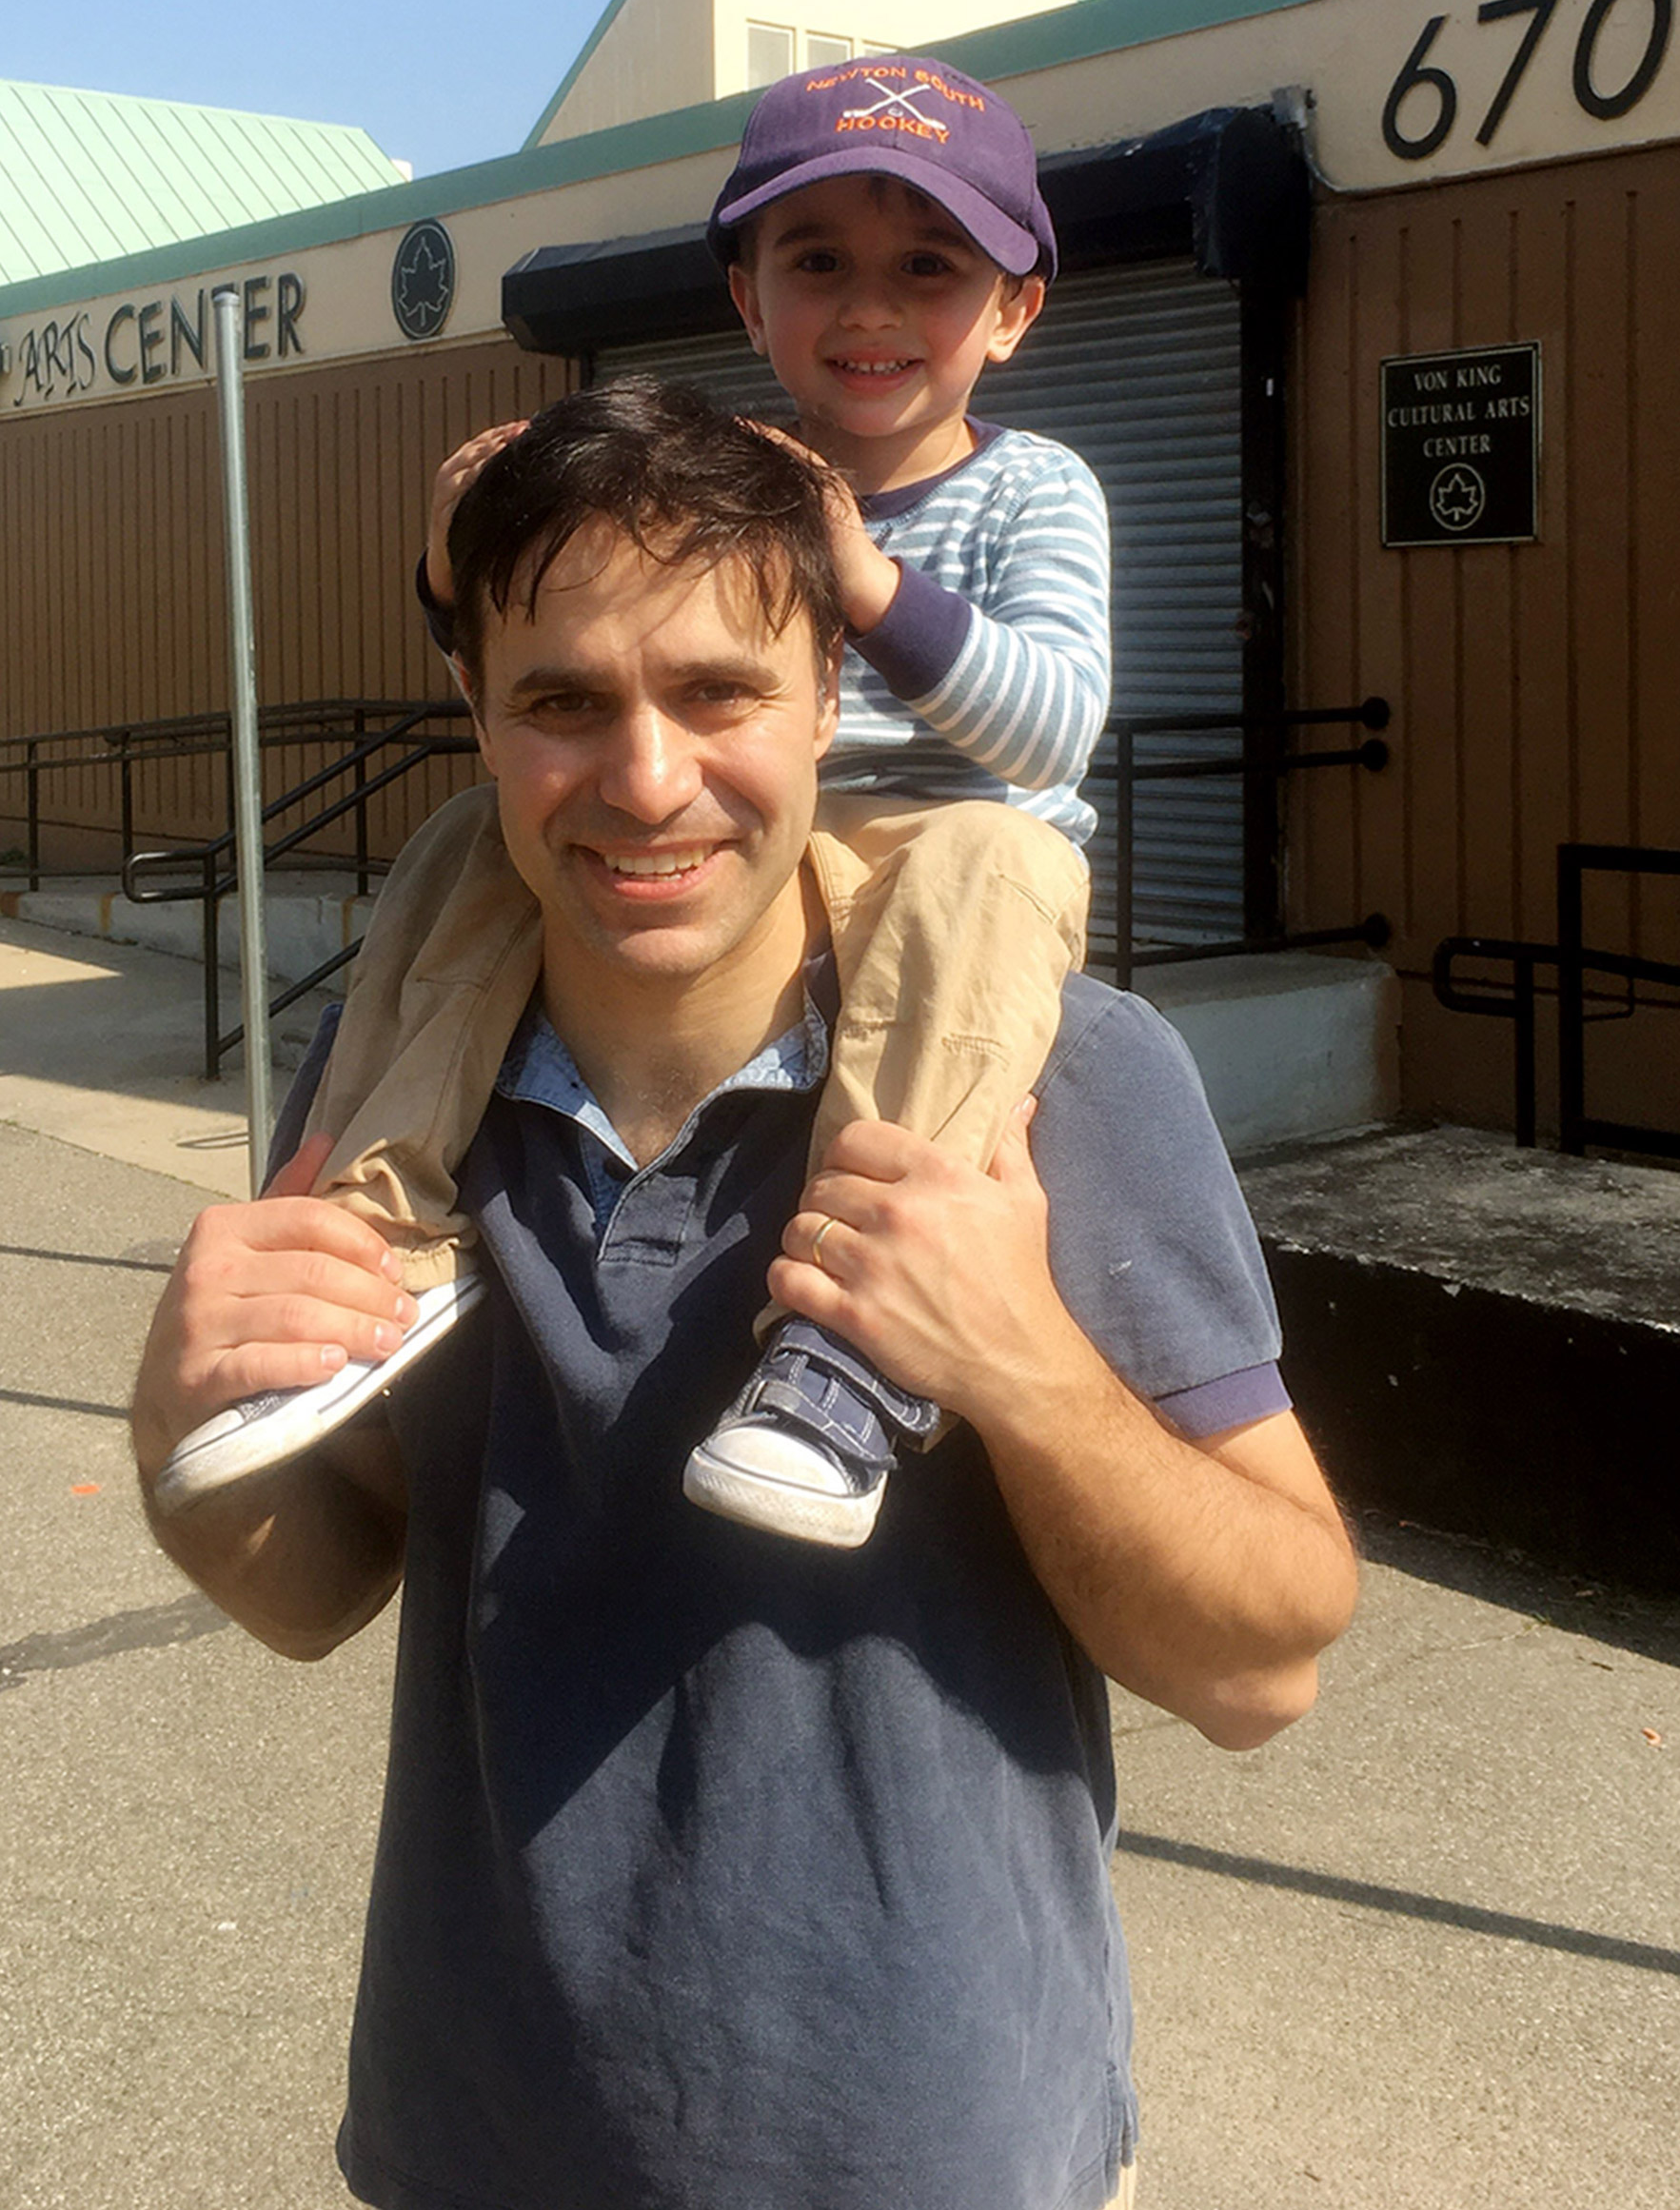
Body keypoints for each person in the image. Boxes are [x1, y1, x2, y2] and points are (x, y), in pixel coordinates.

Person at [130, 385, 1357, 2210]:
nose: (642, 781)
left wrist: (1023, 1370)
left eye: (717, 692)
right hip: (474, 2139)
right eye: (562, 702)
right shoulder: (394, 1083)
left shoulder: (1062, 1084)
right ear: (474, 711)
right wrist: (178, 1435)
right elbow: (319, 1586)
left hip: (928, 2151)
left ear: (826, 706)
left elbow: (1267, 1663)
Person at [203, 53, 1112, 1550]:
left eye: (928, 268)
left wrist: (860, 575)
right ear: (750, 301)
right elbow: (554, 672)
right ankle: (368, 1237)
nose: (870, 307)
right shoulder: (715, 474)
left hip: (936, 846)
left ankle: (859, 1338)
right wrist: (461, 557)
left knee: (993, 874)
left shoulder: (1036, 489)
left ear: (1012, 311)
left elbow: (1055, 727)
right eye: (817, 262)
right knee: (455, 838)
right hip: (740, 844)